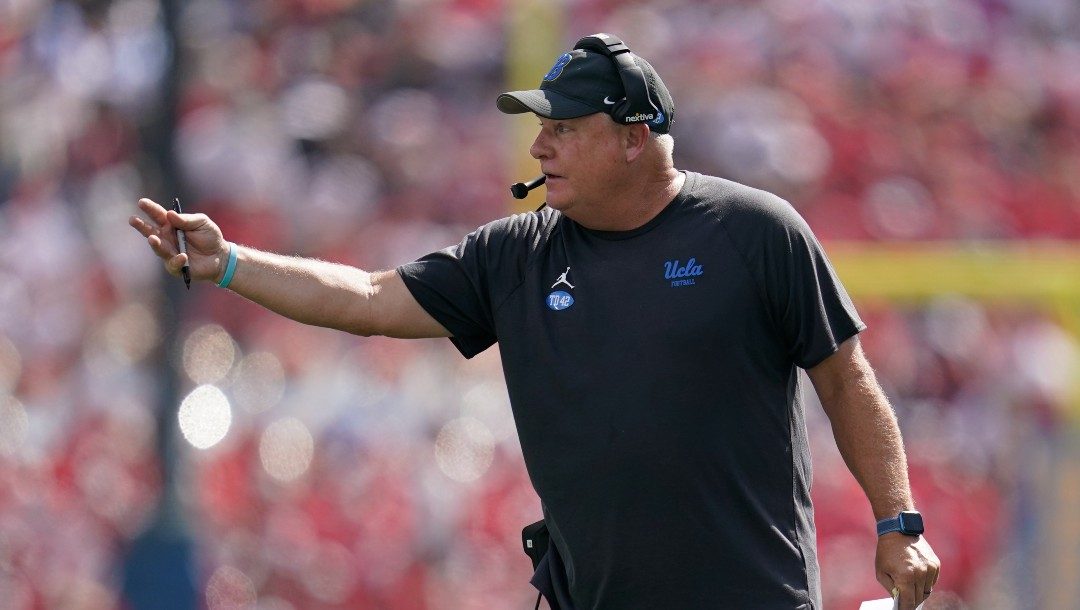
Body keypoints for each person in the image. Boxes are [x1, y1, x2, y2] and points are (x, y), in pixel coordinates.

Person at [131, 33, 939, 610]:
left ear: (633, 139)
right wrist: (229, 263)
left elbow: (847, 380)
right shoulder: (515, 255)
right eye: (539, 126)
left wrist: (898, 523)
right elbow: (369, 300)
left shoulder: (757, 233)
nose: (541, 145)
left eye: (563, 127)